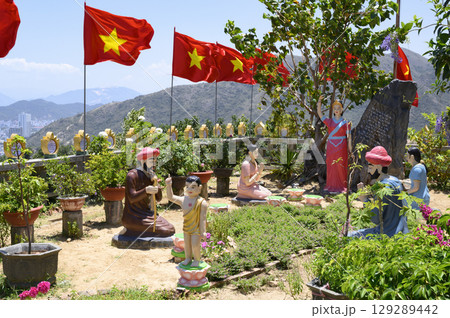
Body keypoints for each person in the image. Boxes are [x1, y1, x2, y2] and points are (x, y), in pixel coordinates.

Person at [349, 146, 409, 238]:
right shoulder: (396, 181)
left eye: (370, 167)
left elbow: (376, 219)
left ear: (379, 167)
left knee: (349, 236)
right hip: (403, 231)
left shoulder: (382, 187)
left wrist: (364, 199)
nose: (368, 171)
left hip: (387, 233)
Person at [120, 147, 175, 238]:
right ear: (143, 161)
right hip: (133, 216)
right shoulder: (132, 175)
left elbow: (158, 198)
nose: (154, 164)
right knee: (167, 230)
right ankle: (130, 230)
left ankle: (135, 231)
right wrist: (146, 191)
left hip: (146, 214)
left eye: (155, 161)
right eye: (151, 161)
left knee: (170, 227)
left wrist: (156, 184)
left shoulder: (150, 175)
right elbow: (132, 198)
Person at [165, 175, 208, 267]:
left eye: (193, 187)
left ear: (199, 187)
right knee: (187, 245)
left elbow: (203, 218)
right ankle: (188, 258)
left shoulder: (202, 203)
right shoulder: (183, 200)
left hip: (196, 228)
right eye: (187, 187)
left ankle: (196, 259)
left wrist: (203, 231)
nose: (189, 189)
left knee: (195, 245)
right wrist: (168, 185)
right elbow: (170, 197)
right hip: (186, 227)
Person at [317, 96, 352, 193]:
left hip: (342, 146)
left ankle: (342, 186)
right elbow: (320, 114)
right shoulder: (329, 121)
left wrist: (350, 149)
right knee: (331, 166)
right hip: (331, 146)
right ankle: (330, 184)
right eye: (335, 108)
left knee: (341, 165)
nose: (336, 110)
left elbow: (349, 138)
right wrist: (319, 102)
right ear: (333, 110)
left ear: (342, 110)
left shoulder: (346, 123)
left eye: (338, 108)